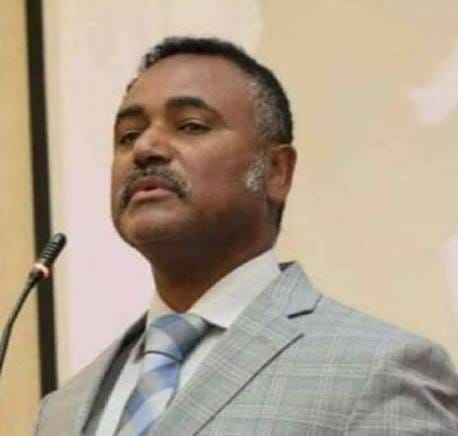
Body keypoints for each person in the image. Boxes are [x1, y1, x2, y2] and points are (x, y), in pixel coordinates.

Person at [34, 37, 458, 435]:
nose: (145, 148)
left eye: (191, 126)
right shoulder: (60, 409)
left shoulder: (380, 370)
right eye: (128, 135)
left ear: (276, 171)